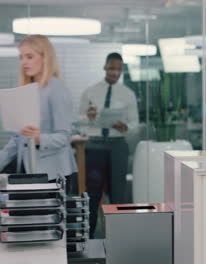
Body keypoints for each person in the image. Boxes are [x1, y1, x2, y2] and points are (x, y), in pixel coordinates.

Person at [0, 34, 77, 184]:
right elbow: (18, 139)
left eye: (29, 56)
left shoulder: (57, 89)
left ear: (45, 57)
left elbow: (64, 136)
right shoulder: (27, 91)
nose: (24, 62)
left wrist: (39, 138)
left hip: (54, 174)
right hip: (29, 171)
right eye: (21, 57)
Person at [78, 52, 138, 237]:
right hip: (95, 146)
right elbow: (79, 120)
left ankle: (117, 238)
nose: (115, 73)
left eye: (119, 69)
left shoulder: (128, 94)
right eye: (112, 68)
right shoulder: (90, 92)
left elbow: (135, 123)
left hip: (117, 145)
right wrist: (88, 117)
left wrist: (125, 126)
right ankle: (88, 239)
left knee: (118, 195)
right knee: (93, 193)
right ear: (105, 67)